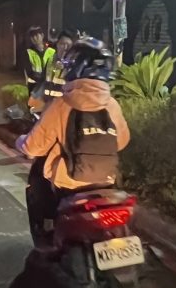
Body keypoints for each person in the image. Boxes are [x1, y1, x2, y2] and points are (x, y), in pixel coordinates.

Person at [16, 37, 130, 248]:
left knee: (39, 188)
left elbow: (34, 147)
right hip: (107, 182)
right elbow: (122, 142)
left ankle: (47, 240)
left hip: (69, 186)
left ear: (76, 68)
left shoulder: (62, 105)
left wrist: (21, 141)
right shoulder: (112, 105)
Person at [42, 29, 75, 104]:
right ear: (57, 44)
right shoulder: (50, 61)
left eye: (68, 45)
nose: (65, 48)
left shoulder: (74, 65)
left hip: (63, 105)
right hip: (47, 103)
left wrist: (66, 67)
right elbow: (42, 82)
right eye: (62, 44)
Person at [23, 26, 55, 96]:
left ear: (42, 36)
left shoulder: (52, 51)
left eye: (37, 35)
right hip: (34, 87)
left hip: (50, 87)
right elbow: (29, 71)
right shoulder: (28, 52)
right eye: (32, 36)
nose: (35, 38)